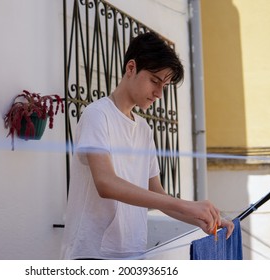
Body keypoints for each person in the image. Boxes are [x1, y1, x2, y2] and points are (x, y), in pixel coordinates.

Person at [61, 31, 234, 260]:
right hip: (92, 254)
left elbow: (157, 194)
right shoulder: (97, 114)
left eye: (165, 85)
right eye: (155, 81)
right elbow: (106, 184)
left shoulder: (144, 129)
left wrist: (202, 219)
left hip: (133, 253)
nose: (159, 94)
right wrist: (188, 206)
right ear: (131, 68)